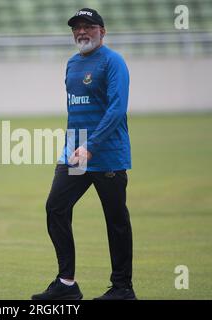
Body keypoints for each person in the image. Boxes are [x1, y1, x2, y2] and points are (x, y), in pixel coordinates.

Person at [31, 8, 136, 300]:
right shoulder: (71, 64)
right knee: (56, 207)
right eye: (77, 28)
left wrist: (91, 145)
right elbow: (74, 111)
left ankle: (123, 288)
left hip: (107, 155)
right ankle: (66, 284)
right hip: (75, 155)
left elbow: (117, 108)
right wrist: (72, 147)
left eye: (88, 26)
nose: (82, 32)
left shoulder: (114, 61)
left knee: (115, 219)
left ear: (102, 31)